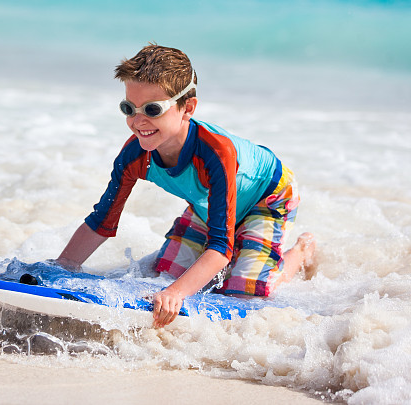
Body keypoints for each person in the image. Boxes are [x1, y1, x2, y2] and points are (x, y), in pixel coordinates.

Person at [55, 44, 316, 328]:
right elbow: (101, 222)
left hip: (268, 196)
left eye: (152, 109)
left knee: (243, 294)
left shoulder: (216, 154)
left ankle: (300, 253)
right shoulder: (134, 155)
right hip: (211, 201)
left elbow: (220, 247)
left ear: (187, 108)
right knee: (164, 274)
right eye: (128, 108)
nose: (137, 121)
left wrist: (176, 293)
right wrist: (61, 268)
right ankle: (242, 255)